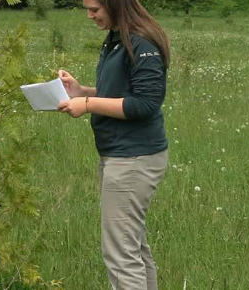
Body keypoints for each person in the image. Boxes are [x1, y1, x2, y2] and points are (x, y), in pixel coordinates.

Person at [57, 0, 171, 289]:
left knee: (121, 255)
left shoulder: (141, 42)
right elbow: (121, 92)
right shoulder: (116, 39)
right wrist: (81, 91)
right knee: (132, 247)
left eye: (95, 9)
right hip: (119, 155)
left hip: (134, 159)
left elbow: (145, 104)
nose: (90, 15)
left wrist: (87, 103)